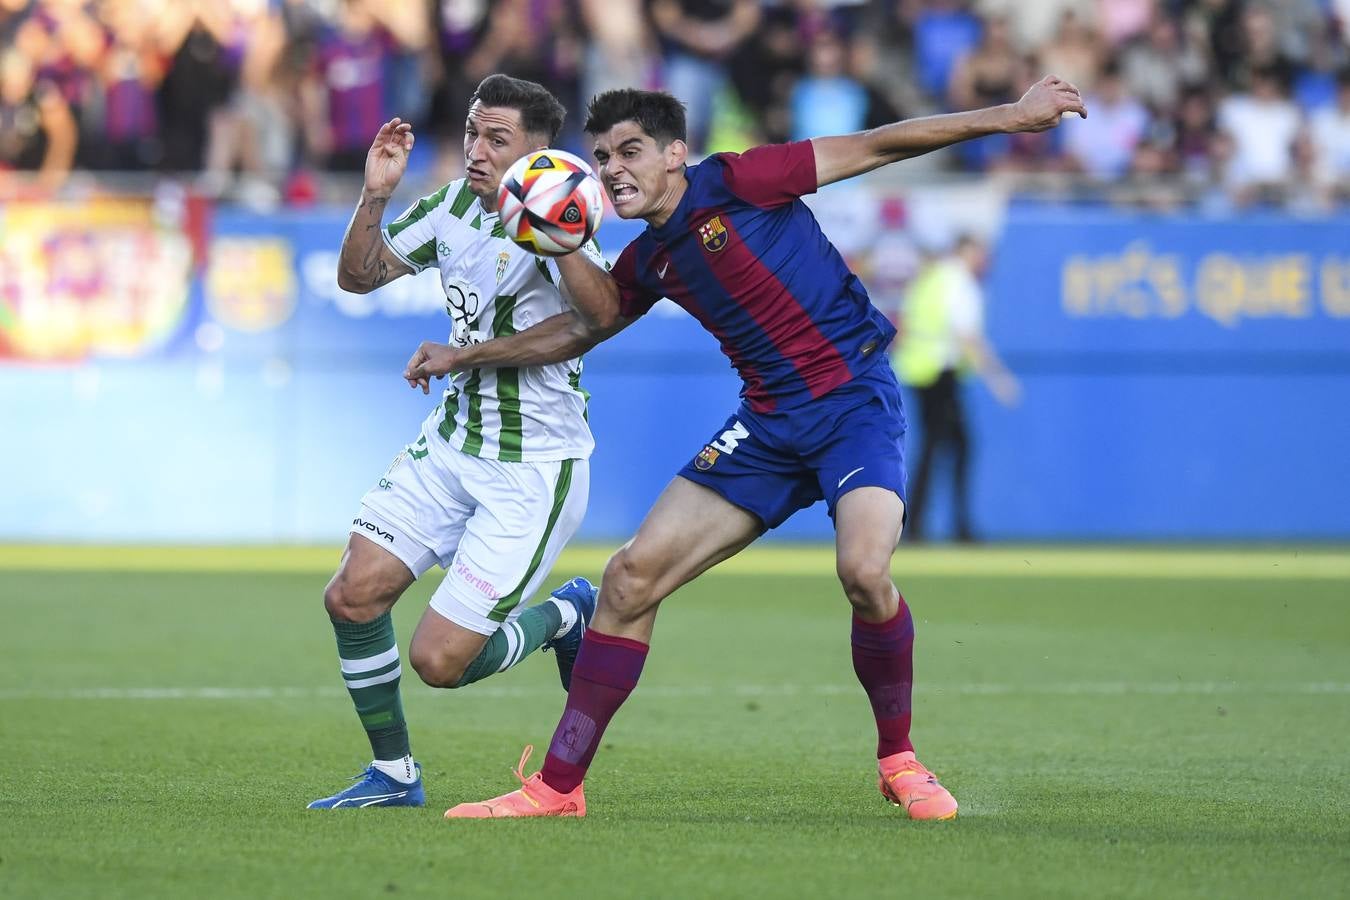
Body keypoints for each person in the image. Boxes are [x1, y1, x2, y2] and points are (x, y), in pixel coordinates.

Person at [407, 76, 1086, 820]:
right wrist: (469, 351)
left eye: (630, 151)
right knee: (629, 578)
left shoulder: (739, 179)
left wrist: (1011, 118)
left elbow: (877, 143)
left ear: (677, 154)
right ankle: (557, 788)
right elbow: (583, 327)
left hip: (854, 402)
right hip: (768, 427)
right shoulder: (646, 261)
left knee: (864, 571)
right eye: (600, 158)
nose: (612, 171)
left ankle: (899, 759)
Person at [307, 74, 606, 810]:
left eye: (495, 138)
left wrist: (461, 355)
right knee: (351, 596)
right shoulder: (449, 206)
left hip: (531, 468)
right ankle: (394, 776)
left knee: (439, 663)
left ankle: (567, 614)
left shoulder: (557, 224)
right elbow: (357, 279)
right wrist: (375, 192)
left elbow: (596, 318)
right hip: (450, 447)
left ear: (538, 152)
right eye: (473, 131)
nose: (475, 150)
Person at [893, 235, 1020, 543]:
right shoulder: (960, 283)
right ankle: (955, 527)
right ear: (966, 251)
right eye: (980, 253)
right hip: (940, 372)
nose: (985, 261)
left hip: (918, 371)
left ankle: (920, 525)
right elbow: (967, 337)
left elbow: (905, 325)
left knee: (936, 448)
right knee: (956, 447)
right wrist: (998, 378)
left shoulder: (932, 277)